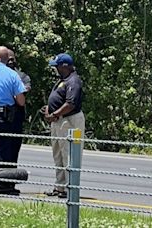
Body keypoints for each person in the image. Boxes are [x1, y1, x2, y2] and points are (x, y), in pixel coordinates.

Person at [41, 53, 85, 198]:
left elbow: (70, 104)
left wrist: (55, 114)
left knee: (69, 154)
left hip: (69, 121)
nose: (55, 69)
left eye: (57, 66)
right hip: (58, 121)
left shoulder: (73, 81)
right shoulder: (63, 80)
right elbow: (58, 99)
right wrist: (49, 109)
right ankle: (59, 186)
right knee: (58, 155)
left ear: (65, 66)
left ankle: (69, 188)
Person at [6, 49, 31, 159]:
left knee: (13, 149)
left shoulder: (22, 76)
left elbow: (24, 92)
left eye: (12, 59)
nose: (10, 62)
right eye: (8, 59)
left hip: (15, 118)